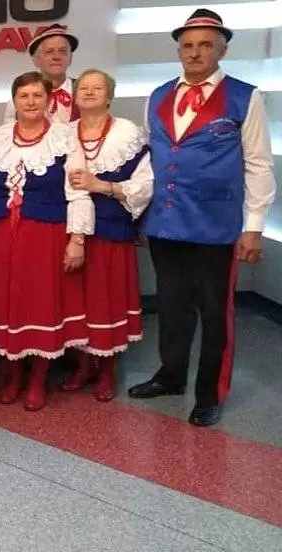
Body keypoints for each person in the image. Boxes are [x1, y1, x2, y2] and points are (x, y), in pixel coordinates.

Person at [129, 9, 277, 426]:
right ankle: (171, 375)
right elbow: (150, 161)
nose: (195, 53)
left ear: (222, 50)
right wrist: (140, 216)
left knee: (215, 312)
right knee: (172, 305)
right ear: (179, 50)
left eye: (206, 45)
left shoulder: (245, 96)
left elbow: (259, 164)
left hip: (216, 226)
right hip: (165, 222)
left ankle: (210, 393)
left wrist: (253, 227)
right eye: (188, 45)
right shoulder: (158, 95)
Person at [0, 71, 93, 412]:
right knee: (5, 303)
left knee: (41, 303)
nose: (31, 101)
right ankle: (13, 372)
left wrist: (77, 240)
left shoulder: (65, 137)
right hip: (1, 236)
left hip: (46, 236)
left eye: (37, 95)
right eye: (24, 96)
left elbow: (78, 191)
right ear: (14, 100)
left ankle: (37, 379)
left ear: (48, 100)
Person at [63, 69, 154, 401]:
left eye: (97, 88)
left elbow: (145, 184)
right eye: (83, 88)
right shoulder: (64, 133)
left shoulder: (127, 133)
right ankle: (83, 366)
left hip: (111, 229)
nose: (89, 92)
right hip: (70, 230)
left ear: (110, 96)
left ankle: (107, 370)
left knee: (107, 300)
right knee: (78, 300)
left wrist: (101, 185)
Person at [3, 24, 79, 125]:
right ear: (35, 60)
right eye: (49, 51)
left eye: (62, 51)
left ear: (70, 58)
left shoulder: (83, 91)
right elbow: (9, 130)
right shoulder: (20, 98)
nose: (56, 57)